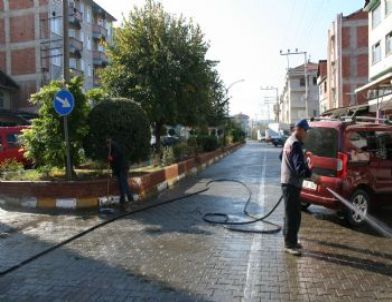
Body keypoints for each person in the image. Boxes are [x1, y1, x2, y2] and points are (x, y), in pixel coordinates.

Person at [280, 119, 316, 256]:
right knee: (293, 215)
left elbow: (281, 156)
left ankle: (292, 240)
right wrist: (313, 176)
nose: (306, 134)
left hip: (288, 182)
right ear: (299, 129)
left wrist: (301, 155)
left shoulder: (289, 141)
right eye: (305, 131)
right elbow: (300, 169)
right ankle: (289, 244)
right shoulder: (294, 144)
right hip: (291, 183)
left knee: (292, 213)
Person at [106, 137, 133, 206]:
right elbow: (112, 162)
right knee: (120, 185)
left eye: (108, 144)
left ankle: (130, 199)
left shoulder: (116, 146)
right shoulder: (110, 149)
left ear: (109, 143)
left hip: (123, 168)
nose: (107, 146)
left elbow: (117, 154)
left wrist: (111, 157)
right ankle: (122, 200)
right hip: (118, 169)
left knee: (124, 183)